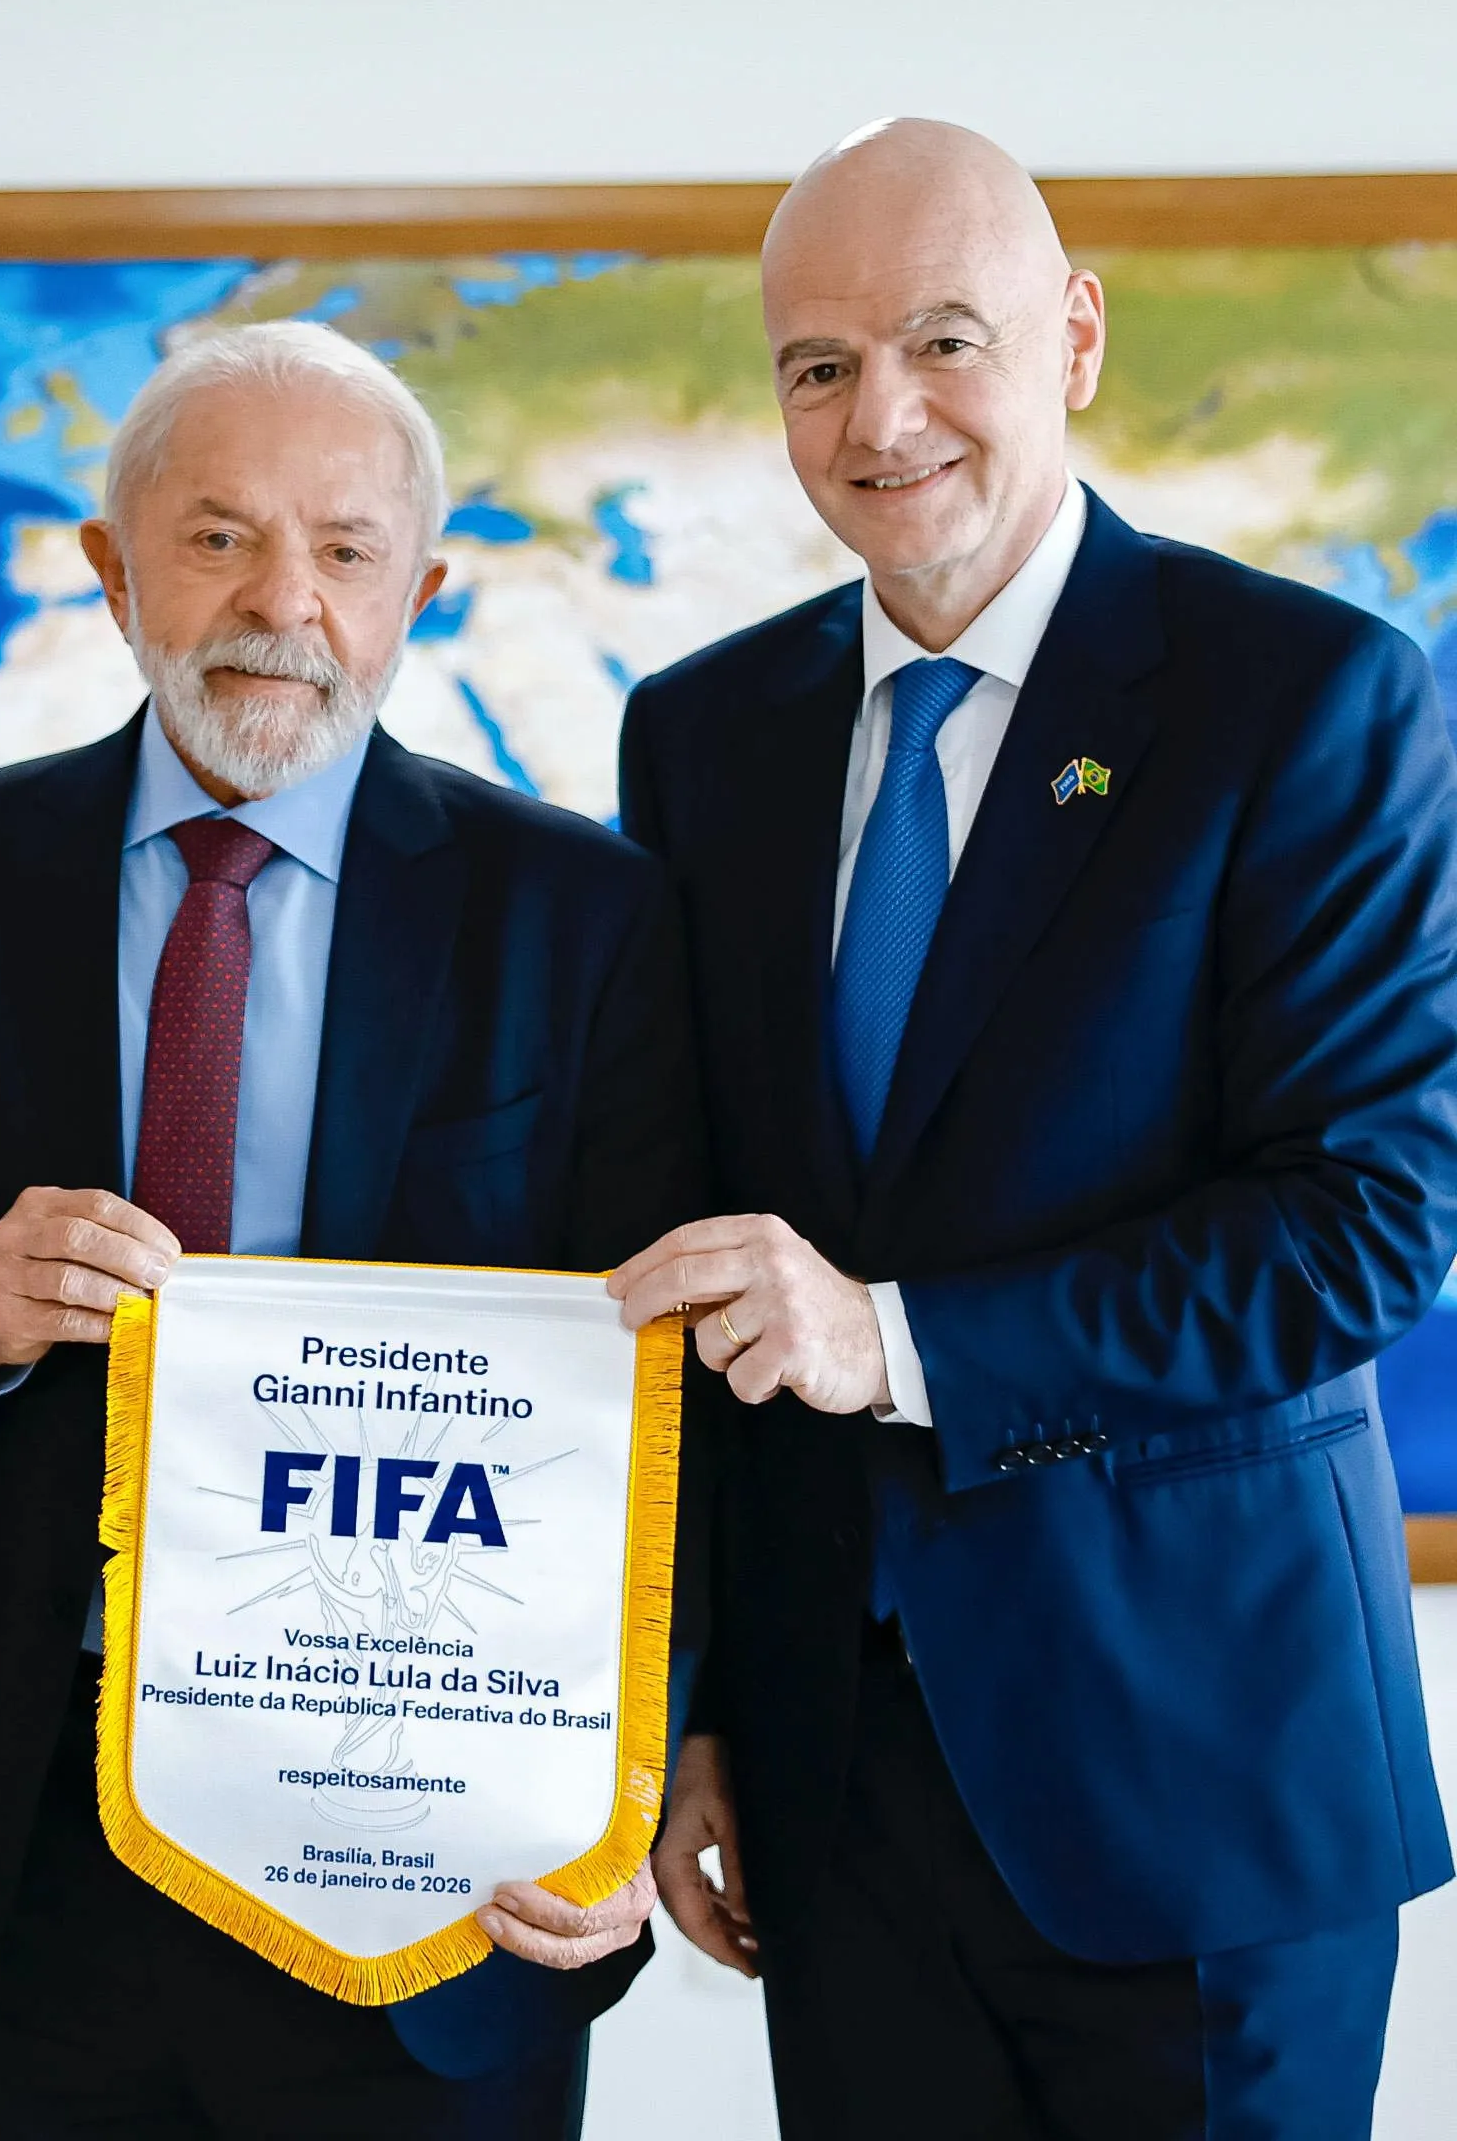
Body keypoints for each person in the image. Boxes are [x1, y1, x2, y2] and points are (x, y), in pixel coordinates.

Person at [612, 118, 1457, 2138]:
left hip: (1194, 1780)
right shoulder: (702, 738)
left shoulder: (1306, 699)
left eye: (943, 341)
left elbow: (1366, 1223)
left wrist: (897, 1341)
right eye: (820, 366)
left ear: (1074, 337)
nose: (879, 418)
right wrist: (687, 1705)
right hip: (831, 1793)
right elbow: (693, 1235)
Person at [0, 320, 705, 2138]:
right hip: (34, 1835)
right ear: (114, 572)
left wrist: (633, 1785)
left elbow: (674, 1394)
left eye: (346, 549)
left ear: (420, 595)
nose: (284, 602)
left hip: (442, 1862)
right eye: (217, 538)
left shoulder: (584, 918)